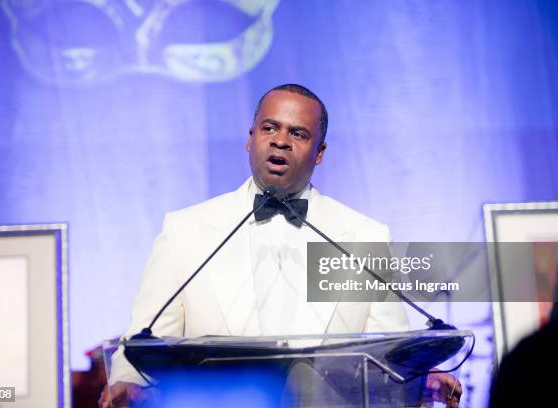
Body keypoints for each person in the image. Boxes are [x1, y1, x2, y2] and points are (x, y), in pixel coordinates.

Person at [100, 84, 462, 407]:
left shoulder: (363, 235)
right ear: (250, 136)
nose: (280, 140)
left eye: (298, 133)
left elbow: (391, 353)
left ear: (319, 152)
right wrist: (127, 383)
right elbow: (145, 340)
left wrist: (419, 383)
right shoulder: (185, 229)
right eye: (270, 127)